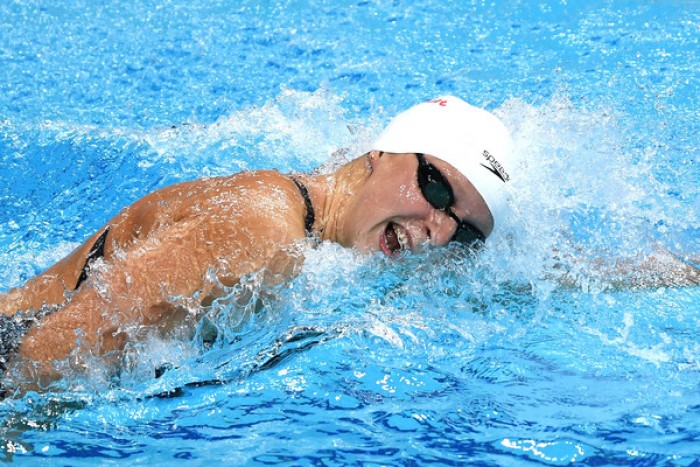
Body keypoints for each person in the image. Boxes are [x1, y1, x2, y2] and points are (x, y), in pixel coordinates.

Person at [0, 96, 696, 396]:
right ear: (378, 154)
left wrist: (667, 275)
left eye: (466, 234)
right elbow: (50, 349)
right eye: (436, 186)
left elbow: (537, 279)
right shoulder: (261, 234)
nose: (438, 230)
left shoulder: (333, 237)